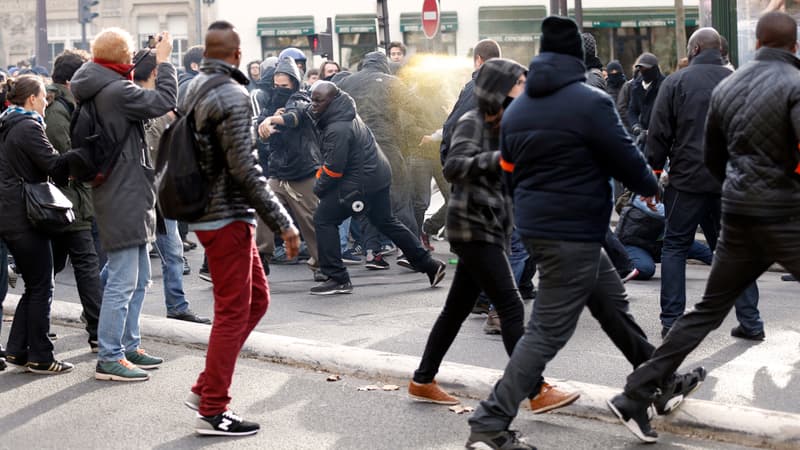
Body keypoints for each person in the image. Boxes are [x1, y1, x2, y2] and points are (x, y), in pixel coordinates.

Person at [465, 17, 703, 449]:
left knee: (614, 308)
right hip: (572, 232)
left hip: (546, 229)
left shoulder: (517, 109)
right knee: (547, 333)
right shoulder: (589, 101)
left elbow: (507, 173)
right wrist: (651, 187)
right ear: (577, 55)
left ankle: (658, 383)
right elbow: (625, 158)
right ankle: (489, 422)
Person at [609, 11, 800, 443]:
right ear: (792, 46)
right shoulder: (789, 84)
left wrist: (658, 173)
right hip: (780, 210)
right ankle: (750, 319)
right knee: (703, 268)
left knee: (703, 300)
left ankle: (636, 390)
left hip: (727, 197)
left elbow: (689, 142)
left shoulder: (720, 86)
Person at [409, 58, 579, 413]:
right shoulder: (472, 120)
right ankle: (535, 389)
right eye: (518, 83)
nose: (524, 90)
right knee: (511, 306)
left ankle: (422, 380)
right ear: (499, 88)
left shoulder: (504, 125)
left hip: (490, 226)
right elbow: (454, 166)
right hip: (472, 226)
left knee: (455, 310)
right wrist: (501, 160)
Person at [180, 21, 299, 436]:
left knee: (256, 301)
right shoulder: (232, 95)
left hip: (212, 213)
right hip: (227, 214)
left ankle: (205, 388)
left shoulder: (193, 87)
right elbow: (245, 168)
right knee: (234, 311)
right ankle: (213, 409)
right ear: (235, 54)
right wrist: (283, 222)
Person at [70, 28, 177, 381]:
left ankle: (128, 344)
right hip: (123, 192)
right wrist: (165, 62)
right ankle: (110, 356)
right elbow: (162, 102)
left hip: (126, 189)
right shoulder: (116, 90)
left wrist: (147, 56)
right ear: (121, 58)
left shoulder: (102, 84)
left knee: (138, 275)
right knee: (122, 279)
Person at [645, 27, 764, 340]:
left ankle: (672, 321)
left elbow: (658, 135)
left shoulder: (675, 82)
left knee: (674, 247)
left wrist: (653, 175)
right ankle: (751, 322)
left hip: (688, 180)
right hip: (731, 182)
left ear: (694, 49)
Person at [308, 81, 446, 295]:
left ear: (332, 100)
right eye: (312, 99)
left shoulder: (338, 127)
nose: (313, 104)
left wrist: (318, 188)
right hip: (377, 177)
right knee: (386, 221)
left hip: (360, 184)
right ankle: (430, 265)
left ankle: (337, 278)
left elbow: (334, 169)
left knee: (324, 218)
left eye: (318, 100)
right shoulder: (345, 112)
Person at [0, 74, 79, 373]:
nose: (47, 102)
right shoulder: (29, 126)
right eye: (44, 97)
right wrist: (78, 153)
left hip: (10, 213)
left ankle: (19, 350)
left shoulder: (7, 122)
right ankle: (41, 357)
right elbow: (54, 166)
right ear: (32, 99)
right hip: (25, 215)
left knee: (34, 285)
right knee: (42, 285)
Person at [133, 49, 211, 325]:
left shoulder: (161, 106)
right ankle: (97, 302)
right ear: (154, 72)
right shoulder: (136, 103)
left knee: (174, 252)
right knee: (130, 261)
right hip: (142, 193)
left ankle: (177, 305)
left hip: (162, 190)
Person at [337, 51, 423, 266]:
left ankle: (371, 253)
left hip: (357, 147)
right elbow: (415, 106)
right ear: (383, 65)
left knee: (366, 200)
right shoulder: (391, 82)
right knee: (401, 197)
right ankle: (410, 253)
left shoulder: (347, 82)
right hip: (386, 145)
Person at [44, 49, 103, 352]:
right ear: (70, 80)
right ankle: (97, 331)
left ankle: (34, 330)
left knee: (49, 267)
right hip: (69, 199)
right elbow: (64, 154)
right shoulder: (57, 109)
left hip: (70, 197)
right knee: (86, 263)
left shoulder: (66, 104)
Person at [255, 56, 323, 281]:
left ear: (294, 82)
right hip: (279, 171)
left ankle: (324, 265)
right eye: (277, 85)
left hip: (303, 170)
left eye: (284, 85)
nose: (280, 89)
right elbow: (261, 126)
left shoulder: (302, 97)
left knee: (311, 222)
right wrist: (265, 126)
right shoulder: (271, 101)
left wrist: (273, 120)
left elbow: (295, 116)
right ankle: (262, 258)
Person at [615, 194, 713, 280]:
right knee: (645, 269)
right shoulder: (641, 194)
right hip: (633, 244)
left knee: (710, 255)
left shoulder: (673, 191)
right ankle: (615, 264)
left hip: (659, 244)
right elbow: (660, 211)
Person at [440, 39, 500, 164]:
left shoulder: (476, 87)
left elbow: (452, 128)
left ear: (478, 60)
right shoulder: (512, 84)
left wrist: (447, 159)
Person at [628, 52, 664, 153]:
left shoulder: (664, 86)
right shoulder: (636, 86)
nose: (643, 72)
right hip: (642, 137)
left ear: (655, 69)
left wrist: (650, 132)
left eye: (646, 69)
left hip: (660, 138)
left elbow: (666, 114)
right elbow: (632, 110)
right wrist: (636, 126)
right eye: (641, 69)